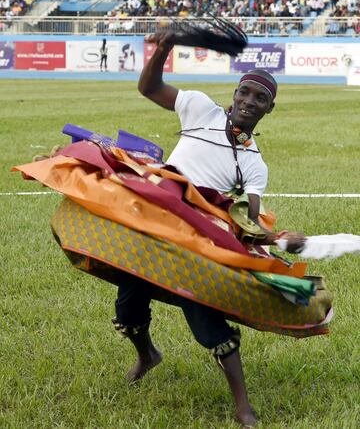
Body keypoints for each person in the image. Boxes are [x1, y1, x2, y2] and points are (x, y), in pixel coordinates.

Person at [113, 32, 306, 427]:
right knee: (127, 309)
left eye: (260, 99)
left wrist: (280, 237)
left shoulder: (253, 165)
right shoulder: (200, 108)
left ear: (270, 108)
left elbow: (248, 221)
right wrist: (164, 46)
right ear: (235, 93)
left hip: (195, 246)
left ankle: (242, 406)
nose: (250, 102)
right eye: (246, 93)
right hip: (153, 227)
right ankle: (147, 355)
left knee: (207, 322)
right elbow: (148, 87)